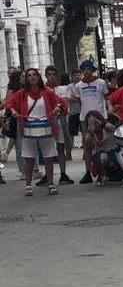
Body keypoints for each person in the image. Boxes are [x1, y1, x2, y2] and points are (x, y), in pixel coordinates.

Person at [3, 68, 67, 196]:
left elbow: (61, 102)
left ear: (38, 77)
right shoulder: (22, 94)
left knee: (48, 158)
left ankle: (51, 184)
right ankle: (28, 185)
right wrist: (13, 111)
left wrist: (57, 108)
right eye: (29, 75)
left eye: (34, 75)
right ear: (26, 79)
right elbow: (9, 103)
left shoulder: (47, 92)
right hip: (28, 129)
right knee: (29, 159)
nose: (32, 77)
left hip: (46, 128)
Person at [72, 60, 109, 184]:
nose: (86, 72)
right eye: (84, 70)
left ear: (92, 70)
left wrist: (105, 116)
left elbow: (106, 98)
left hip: (100, 117)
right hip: (85, 118)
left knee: (101, 145)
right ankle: (88, 172)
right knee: (88, 146)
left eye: (89, 69)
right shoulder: (78, 86)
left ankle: (103, 172)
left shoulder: (101, 83)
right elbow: (80, 101)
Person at [45, 65, 74, 183]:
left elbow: (64, 104)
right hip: (47, 121)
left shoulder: (62, 89)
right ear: (46, 76)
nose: (51, 77)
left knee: (60, 147)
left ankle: (63, 174)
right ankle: (47, 175)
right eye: (49, 75)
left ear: (56, 76)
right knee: (47, 149)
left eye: (53, 75)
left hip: (59, 121)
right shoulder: (42, 89)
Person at [81, 110, 123, 185]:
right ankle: (103, 175)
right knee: (102, 157)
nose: (94, 123)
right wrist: (91, 134)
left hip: (115, 151)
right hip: (101, 155)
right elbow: (88, 148)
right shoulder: (89, 134)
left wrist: (102, 124)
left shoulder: (107, 126)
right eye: (91, 122)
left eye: (95, 120)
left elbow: (117, 132)